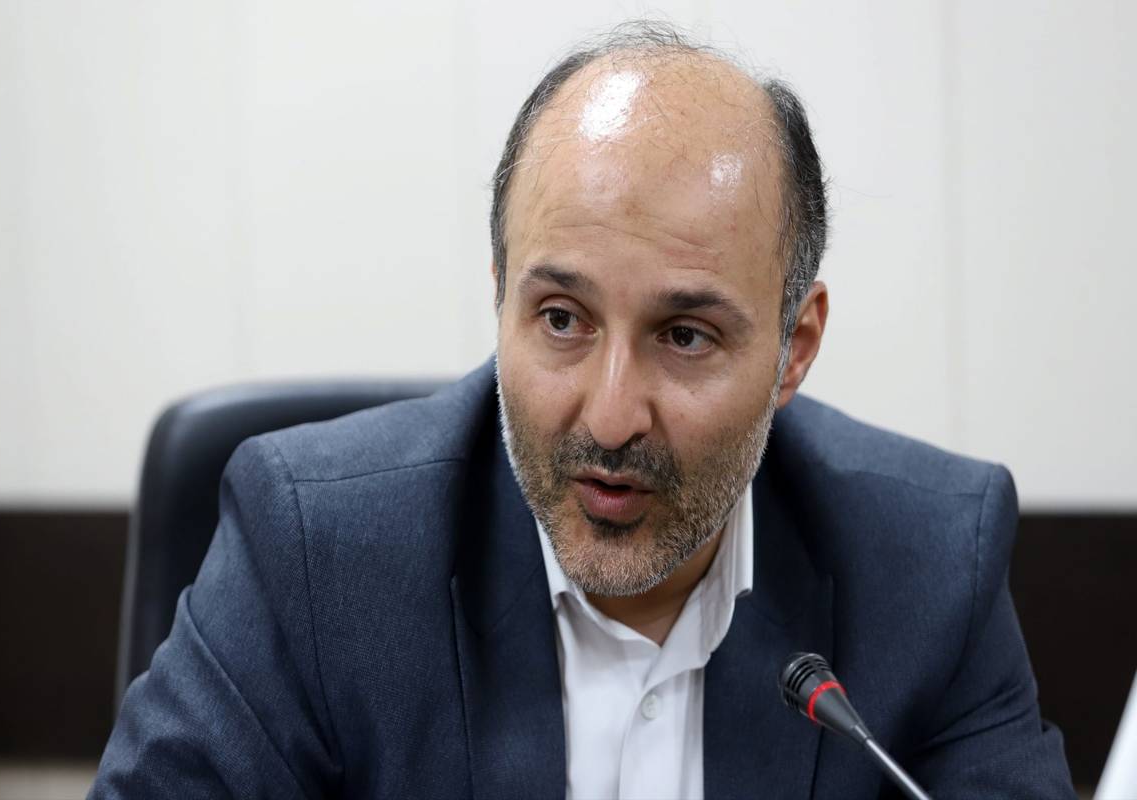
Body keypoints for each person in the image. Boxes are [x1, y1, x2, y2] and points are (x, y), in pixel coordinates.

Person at [91, 22, 1075, 799]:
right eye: (561, 319)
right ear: (500, 297)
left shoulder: (929, 564)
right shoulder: (314, 549)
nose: (608, 418)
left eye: (685, 335)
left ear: (795, 347)